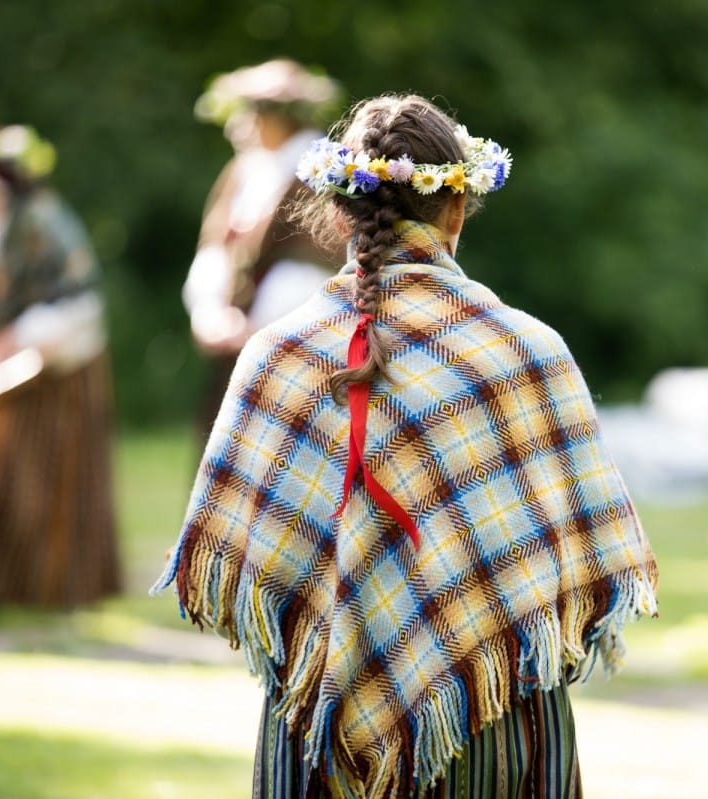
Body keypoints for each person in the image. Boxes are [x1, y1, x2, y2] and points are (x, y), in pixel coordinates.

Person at [153, 94, 659, 799]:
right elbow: (575, 556)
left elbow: (245, 549)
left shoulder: (277, 355)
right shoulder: (529, 352)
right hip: (491, 720)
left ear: (337, 213)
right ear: (456, 212)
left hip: (319, 727)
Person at [0, 120, 119, 606]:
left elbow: (79, 304)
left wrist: (10, 341)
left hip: (60, 372)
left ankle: (56, 590)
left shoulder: (40, 220)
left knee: (49, 481)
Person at [183, 58, 345, 442]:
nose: (238, 125)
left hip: (300, 356)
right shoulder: (243, 171)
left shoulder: (319, 174)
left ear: (280, 117)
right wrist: (210, 314)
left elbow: (319, 263)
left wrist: (261, 328)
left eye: (250, 113)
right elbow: (215, 246)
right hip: (237, 347)